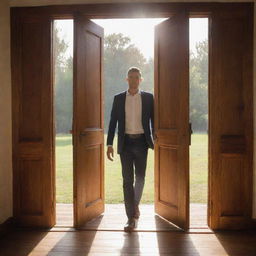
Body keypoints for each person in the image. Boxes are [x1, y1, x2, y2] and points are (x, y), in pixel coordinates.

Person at [106, 67, 154, 232]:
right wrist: (109, 144)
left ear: (141, 79)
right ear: (127, 79)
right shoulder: (118, 98)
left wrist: (156, 139)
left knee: (140, 179)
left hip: (142, 143)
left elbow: (154, 121)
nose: (133, 80)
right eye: (130, 77)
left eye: (136, 77)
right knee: (127, 182)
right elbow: (113, 122)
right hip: (125, 144)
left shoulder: (148, 98)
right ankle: (130, 218)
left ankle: (134, 207)